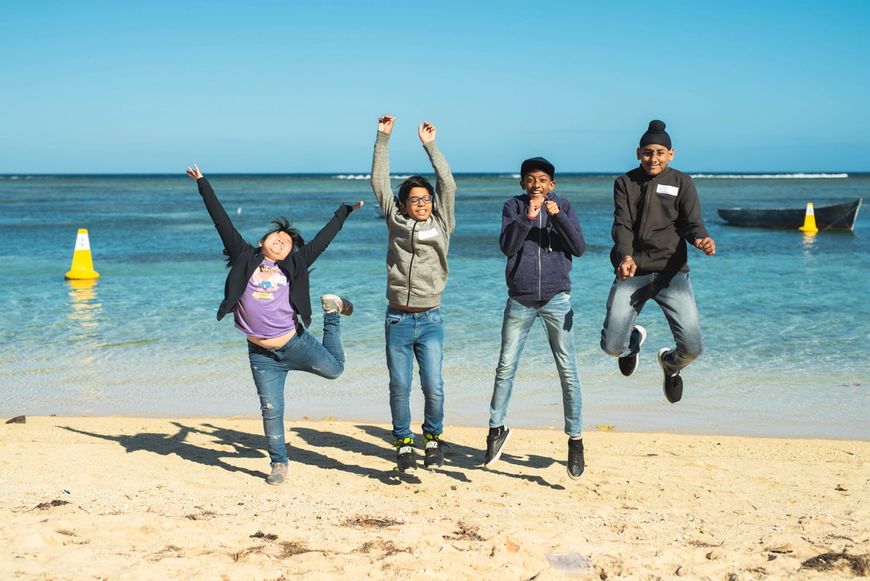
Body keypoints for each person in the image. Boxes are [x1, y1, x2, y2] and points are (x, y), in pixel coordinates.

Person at [186, 164, 363, 485]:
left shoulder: (294, 264)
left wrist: (344, 212)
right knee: (271, 409)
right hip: (261, 355)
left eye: (287, 241)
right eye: (276, 237)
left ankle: (332, 312)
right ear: (261, 241)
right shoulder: (243, 256)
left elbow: (321, 242)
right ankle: (279, 464)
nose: (282, 241)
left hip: (295, 343)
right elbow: (220, 221)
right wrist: (203, 184)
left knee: (336, 370)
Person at [483, 157, 587, 480]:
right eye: (531, 179)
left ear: (552, 185)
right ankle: (495, 429)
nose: (537, 184)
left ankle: (576, 439)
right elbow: (507, 246)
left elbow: (579, 247)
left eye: (543, 179)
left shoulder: (564, 206)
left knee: (567, 369)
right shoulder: (512, 207)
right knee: (505, 365)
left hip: (557, 298)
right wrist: (527, 218)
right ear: (522, 183)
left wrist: (558, 219)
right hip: (520, 298)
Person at [600, 120, 716, 403]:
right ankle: (632, 345)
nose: (654, 158)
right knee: (612, 347)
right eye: (648, 152)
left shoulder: (682, 183)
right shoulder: (625, 183)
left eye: (660, 153)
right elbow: (622, 224)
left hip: (671, 274)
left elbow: (692, 223)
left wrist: (701, 238)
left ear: (671, 154)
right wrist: (626, 256)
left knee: (692, 348)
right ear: (638, 152)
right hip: (633, 271)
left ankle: (670, 366)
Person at [370, 114, 456, 473]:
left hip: (430, 318)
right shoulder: (395, 220)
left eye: (426, 199)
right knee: (399, 386)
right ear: (402, 205)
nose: (421, 203)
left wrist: (430, 146)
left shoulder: (442, 222)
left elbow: (448, 184)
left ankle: (432, 438)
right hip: (397, 319)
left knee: (433, 385)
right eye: (414, 199)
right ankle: (404, 442)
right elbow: (380, 182)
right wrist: (383, 139)